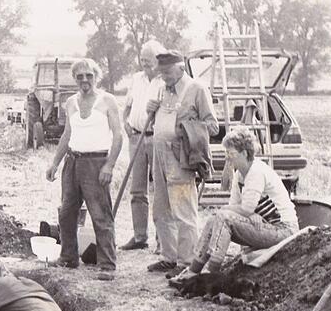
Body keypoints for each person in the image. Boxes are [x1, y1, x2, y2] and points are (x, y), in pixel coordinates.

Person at [171, 128, 299, 281]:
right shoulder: (240, 174)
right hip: (263, 225)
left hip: (282, 229)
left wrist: (243, 211)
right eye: (227, 154)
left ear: (245, 153)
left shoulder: (256, 171)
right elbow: (237, 206)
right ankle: (194, 269)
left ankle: (212, 273)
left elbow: (243, 208)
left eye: (231, 154)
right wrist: (249, 214)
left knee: (223, 217)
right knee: (215, 219)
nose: (229, 159)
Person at [46, 58, 123, 271]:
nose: (84, 80)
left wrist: (109, 166)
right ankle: (69, 257)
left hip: (96, 163)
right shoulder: (70, 103)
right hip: (72, 162)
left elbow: (118, 135)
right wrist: (54, 163)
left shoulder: (108, 101)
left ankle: (107, 264)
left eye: (89, 75)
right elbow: (67, 134)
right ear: (75, 79)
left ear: (96, 77)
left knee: (100, 214)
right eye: (80, 76)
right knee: (67, 212)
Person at [146, 51, 218, 273]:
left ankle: (186, 262)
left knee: (183, 211)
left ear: (181, 68)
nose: (164, 76)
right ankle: (169, 257)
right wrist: (151, 112)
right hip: (158, 155)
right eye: (161, 72)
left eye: (167, 72)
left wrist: (186, 129)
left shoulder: (196, 89)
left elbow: (212, 126)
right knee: (161, 209)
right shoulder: (161, 89)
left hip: (180, 157)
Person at [120, 40, 166, 251]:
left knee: (159, 189)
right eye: (143, 59)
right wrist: (126, 124)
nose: (144, 62)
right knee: (137, 189)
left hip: (155, 138)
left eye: (149, 59)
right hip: (136, 137)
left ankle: (162, 240)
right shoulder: (137, 78)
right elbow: (127, 105)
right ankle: (140, 237)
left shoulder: (165, 81)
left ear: (159, 59)